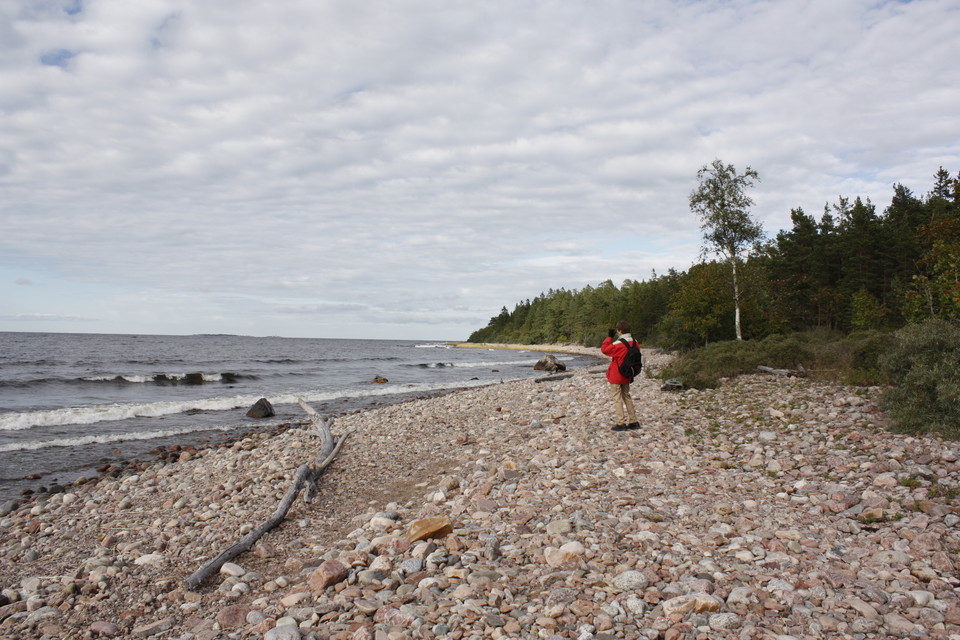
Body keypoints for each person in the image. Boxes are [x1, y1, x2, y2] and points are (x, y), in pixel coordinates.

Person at [601, 320, 640, 432]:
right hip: (627, 373)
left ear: (620, 331)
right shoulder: (635, 342)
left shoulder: (618, 344)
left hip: (616, 374)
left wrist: (609, 337)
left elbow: (604, 350)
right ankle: (633, 421)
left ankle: (621, 422)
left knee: (617, 398)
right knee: (627, 396)